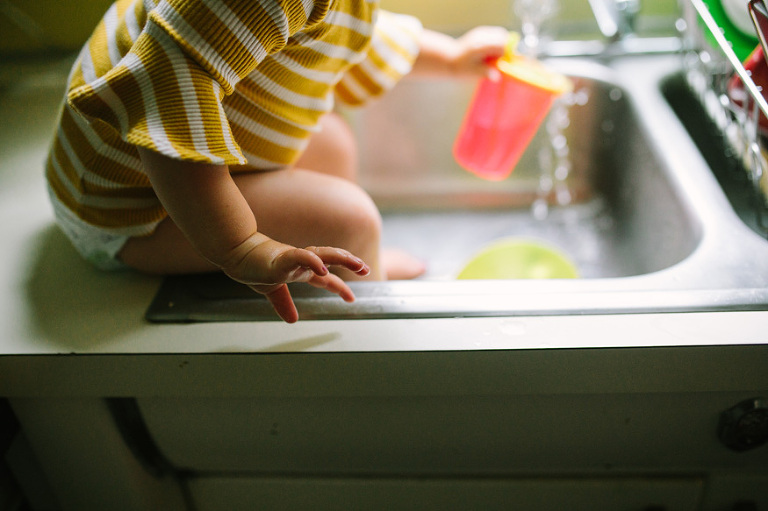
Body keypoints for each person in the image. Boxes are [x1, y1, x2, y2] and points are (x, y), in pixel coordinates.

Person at [46, 0, 509, 323]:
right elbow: (165, 84)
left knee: (333, 145)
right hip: (128, 207)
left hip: (164, 152)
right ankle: (359, 278)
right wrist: (242, 246)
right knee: (350, 220)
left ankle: (353, 264)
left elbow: (342, 29)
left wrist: (448, 58)